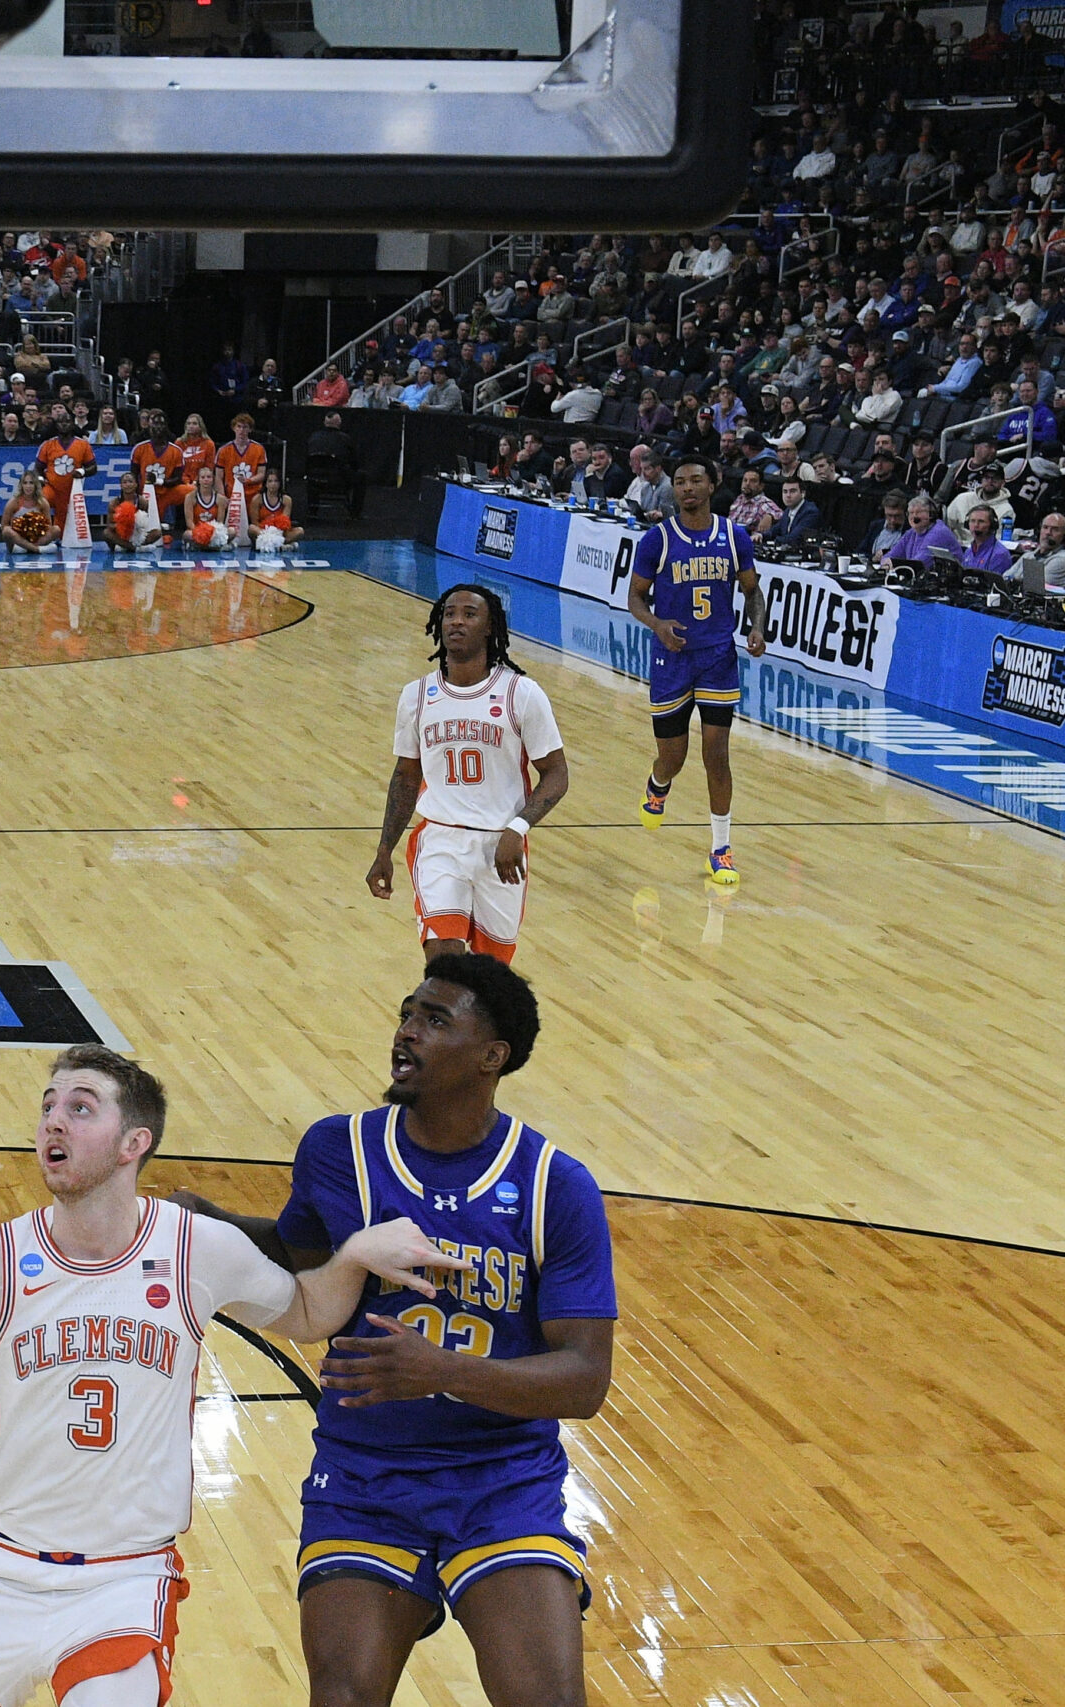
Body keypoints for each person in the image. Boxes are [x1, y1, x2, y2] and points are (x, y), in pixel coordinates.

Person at [0, 1047, 459, 1707]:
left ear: (135, 1142)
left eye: (80, 1108)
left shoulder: (195, 1248)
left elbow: (305, 1311)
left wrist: (354, 1254)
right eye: (48, 1108)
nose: (53, 1123)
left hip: (121, 1583)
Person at [169, 957, 616, 1707]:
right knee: (342, 1697)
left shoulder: (552, 1185)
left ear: (491, 1055)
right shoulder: (336, 1149)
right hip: (366, 1474)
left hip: (503, 1477)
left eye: (436, 1019)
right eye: (408, 1012)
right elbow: (311, 1263)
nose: (406, 1031)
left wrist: (440, 1369)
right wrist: (214, 1229)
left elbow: (584, 1378)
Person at [366, 586, 569, 965]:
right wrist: (384, 850)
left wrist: (518, 829)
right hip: (439, 842)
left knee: (491, 976)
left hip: (501, 847)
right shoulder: (417, 696)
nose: (456, 621)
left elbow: (556, 774)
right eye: (449, 614)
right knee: (444, 964)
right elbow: (406, 778)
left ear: (490, 627)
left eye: (469, 614)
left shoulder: (521, 694)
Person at [630, 456, 766, 886]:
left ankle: (721, 849)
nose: (687, 488)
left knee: (717, 754)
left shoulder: (734, 536)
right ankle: (658, 783)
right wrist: (657, 624)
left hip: (717, 658)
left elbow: (752, 590)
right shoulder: (657, 540)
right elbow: (635, 598)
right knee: (674, 757)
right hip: (671, 659)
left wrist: (757, 627)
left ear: (712, 485)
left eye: (695, 481)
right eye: (680, 482)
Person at [34, 407, 96, 530]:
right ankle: (38, 534)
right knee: (40, 503)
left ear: (72, 424)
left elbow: (93, 467)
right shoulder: (47, 445)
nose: (64, 425)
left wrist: (82, 471)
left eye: (67, 422)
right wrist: (40, 479)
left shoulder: (83, 444)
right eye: (61, 422)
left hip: (72, 489)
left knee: (62, 528)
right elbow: (38, 468)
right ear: (56, 425)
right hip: (51, 487)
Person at [1, 466, 60, 552]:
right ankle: (36, 549)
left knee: (56, 529)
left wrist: (35, 528)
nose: (28, 486)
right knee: (6, 531)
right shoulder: (14, 502)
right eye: (25, 483)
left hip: (37, 538)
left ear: (35, 485)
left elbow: (48, 526)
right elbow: (4, 525)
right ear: (21, 485)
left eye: (31, 483)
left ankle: (28, 548)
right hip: (18, 539)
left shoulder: (43, 502)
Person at [247, 468, 301, 552]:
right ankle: (281, 545)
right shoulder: (257, 499)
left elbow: (284, 523)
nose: (273, 484)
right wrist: (267, 533)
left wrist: (275, 533)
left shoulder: (286, 500)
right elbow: (255, 523)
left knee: (300, 531)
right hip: (263, 532)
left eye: (276, 481)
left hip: (280, 533)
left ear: (280, 483)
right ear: (265, 484)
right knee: (251, 529)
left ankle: (274, 545)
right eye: (270, 481)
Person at [179, 465, 231, 551]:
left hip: (214, 532)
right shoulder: (190, 497)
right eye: (202, 477)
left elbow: (220, 523)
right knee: (187, 534)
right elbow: (189, 523)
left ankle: (201, 546)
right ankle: (213, 547)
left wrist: (211, 534)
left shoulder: (220, 498)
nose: (206, 480)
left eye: (209, 477)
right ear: (198, 480)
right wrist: (201, 533)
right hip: (196, 531)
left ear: (213, 479)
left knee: (232, 531)